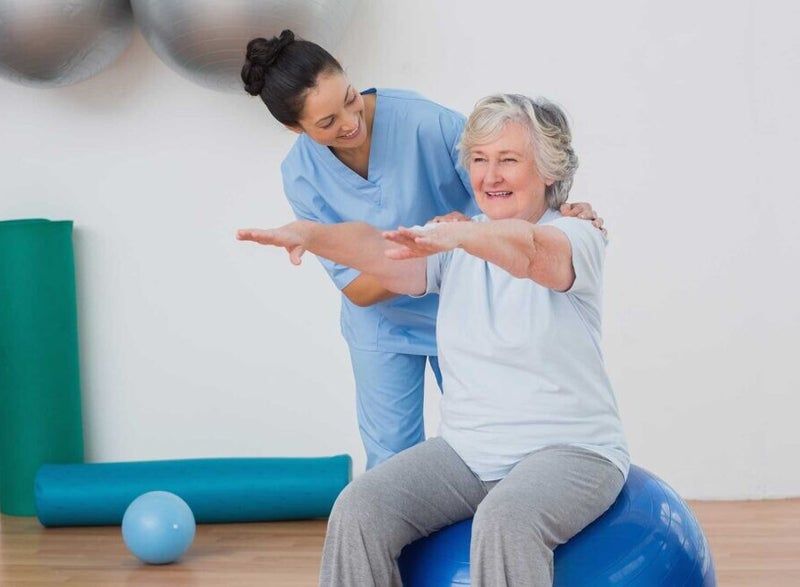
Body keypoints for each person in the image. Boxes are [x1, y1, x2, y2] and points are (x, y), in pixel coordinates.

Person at [238, 93, 628, 586]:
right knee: (360, 506)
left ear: (549, 170)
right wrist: (313, 235)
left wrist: (464, 236)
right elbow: (379, 251)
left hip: (572, 452)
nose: (489, 176)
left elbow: (531, 253)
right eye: (480, 160)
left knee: (507, 518)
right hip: (468, 453)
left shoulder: (576, 235)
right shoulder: (456, 238)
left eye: (509, 160)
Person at [241, 30, 605, 470]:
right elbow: (356, 287)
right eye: (327, 123)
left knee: (493, 452)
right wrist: (425, 253)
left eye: (350, 98)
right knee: (392, 463)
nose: (350, 121)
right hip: (383, 327)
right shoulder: (301, 174)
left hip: (473, 310)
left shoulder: (426, 123)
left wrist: (563, 211)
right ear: (293, 128)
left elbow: (508, 191)